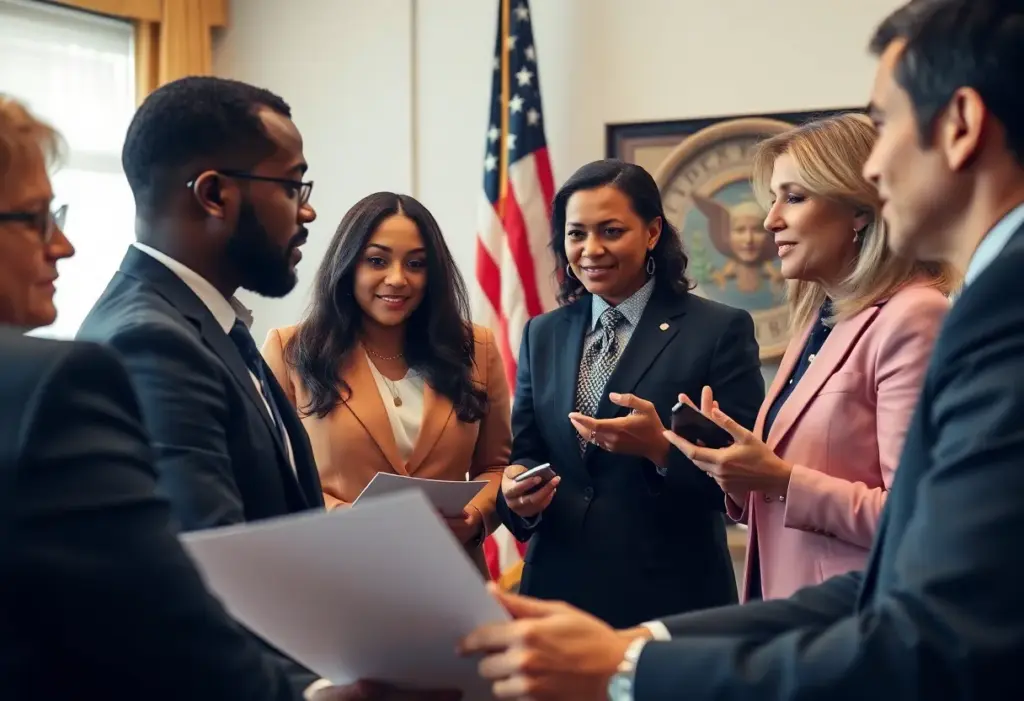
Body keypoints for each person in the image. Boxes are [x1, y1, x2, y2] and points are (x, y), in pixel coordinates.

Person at [458, 1, 1024, 698]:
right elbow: (888, 582)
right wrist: (642, 643)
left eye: (883, 125)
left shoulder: (976, 312)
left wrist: (631, 661)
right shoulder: (828, 320)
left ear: (962, 123)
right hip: (747, 617)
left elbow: (931, 606)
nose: (875, 166)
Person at [0, 95, 451, 701]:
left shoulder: (214, 326)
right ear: (214, 195)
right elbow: (200, 577)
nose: (309, 210)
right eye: (293, 187)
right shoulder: (149, 339)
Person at [685, 113, 954, 603]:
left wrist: (779, 478)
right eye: (773, 200)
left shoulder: (914, 316)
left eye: (794, 197)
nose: (771, 221)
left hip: (858, 623)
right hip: (791, 617)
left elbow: (917, 517)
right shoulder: (821, 317)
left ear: (860, 211)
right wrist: (734, 466)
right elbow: (781, 491)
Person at [495, 158, 765, 628]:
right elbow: (527, 450)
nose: (590, 249)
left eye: (611, 231)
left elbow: (743, 481)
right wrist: (516, 494)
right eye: (576, 233)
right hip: (555, 594)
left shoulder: (719, 330)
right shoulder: (543, 332)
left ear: (653, 232)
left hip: (671, 598)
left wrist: (660, 449)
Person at [262, 192, 510, 575]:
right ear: (348, 266)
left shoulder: (476, 348)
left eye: (416, 264)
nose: (397, 279)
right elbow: (273, 476)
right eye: (377, 261)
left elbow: (496, 466)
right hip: (338, 575)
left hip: (449, 576)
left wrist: (475, 516)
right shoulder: (290, 350)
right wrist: (350, 521)